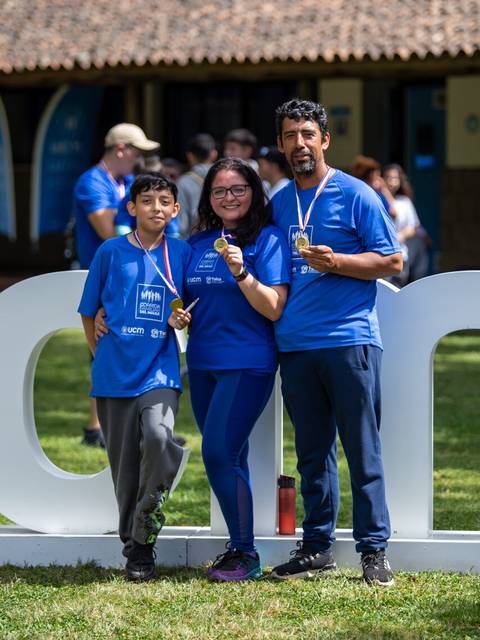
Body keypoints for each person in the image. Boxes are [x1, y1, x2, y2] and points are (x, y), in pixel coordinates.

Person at [269, 99, 403, 586]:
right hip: (296, 346)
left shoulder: (357, 194)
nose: (299, 143)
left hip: (350, 341)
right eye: (290, 135)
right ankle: (317, 546)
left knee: (362, 449)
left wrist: (339, 262)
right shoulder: (280, 201)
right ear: (281, 144)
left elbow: (393, 262)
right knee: (311, 454)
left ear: (324, 139)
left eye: (308, 133)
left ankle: (374, 551)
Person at [173, 157, 290, 581]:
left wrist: (242, 272)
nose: (229, 197)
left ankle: (245, 553)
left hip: (247, 361)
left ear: (254, 192)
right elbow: (184, 296)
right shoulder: (199, 242)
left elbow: (274, 308)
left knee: (218, 452)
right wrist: (178, 315)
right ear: (209, 198)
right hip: (203, 362)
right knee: (230, 455)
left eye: (238, 189)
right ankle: (238, 549)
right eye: (219, 190)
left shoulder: (269, 240)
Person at [78, 172, 190, 581]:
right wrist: (100, 353)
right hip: (113, 374)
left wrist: (181, 320)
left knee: (160, 439)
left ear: (175, 210)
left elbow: (193, 304)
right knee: (124, 469)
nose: (156, 208)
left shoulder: (181, 253)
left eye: (164, 201)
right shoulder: (109, 251)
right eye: (147, 201)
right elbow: (89, 311)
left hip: (159, 370)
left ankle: (144, 527)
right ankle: (137, 547)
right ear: (131, 207)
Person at [73, 123, 160, 447]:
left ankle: (101, 428)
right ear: (121, 149)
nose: (141, 160)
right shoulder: (91, 182)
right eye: (138, 152)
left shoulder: (124, 182)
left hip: (127, 279)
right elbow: (110, 230)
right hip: (102, 280)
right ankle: (101, 428)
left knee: (119, 349)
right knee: (105, 349)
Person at [383, 163, 431, 283]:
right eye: (388, 178)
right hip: (381, 255)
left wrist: (402, 235)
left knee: (398, 286)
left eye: (395, 178)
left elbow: (413, 226)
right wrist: (383, 190)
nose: (391, 182)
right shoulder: (377, 198)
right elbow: (392, 211)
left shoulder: (405, 202)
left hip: (400, 254)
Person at [177, 134, 218, 238]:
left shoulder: (183, 182)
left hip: (196, 243)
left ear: (190, 156)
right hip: (226, 242)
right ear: (214, 154)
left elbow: (181, 225)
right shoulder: (227, 179)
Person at [351, 155, 397, 219]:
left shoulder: (353, 192)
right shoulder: (376, 195)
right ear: (371, 175)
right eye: (377, 175)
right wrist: (384, 189)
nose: (380, 178)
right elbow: (394, 213)